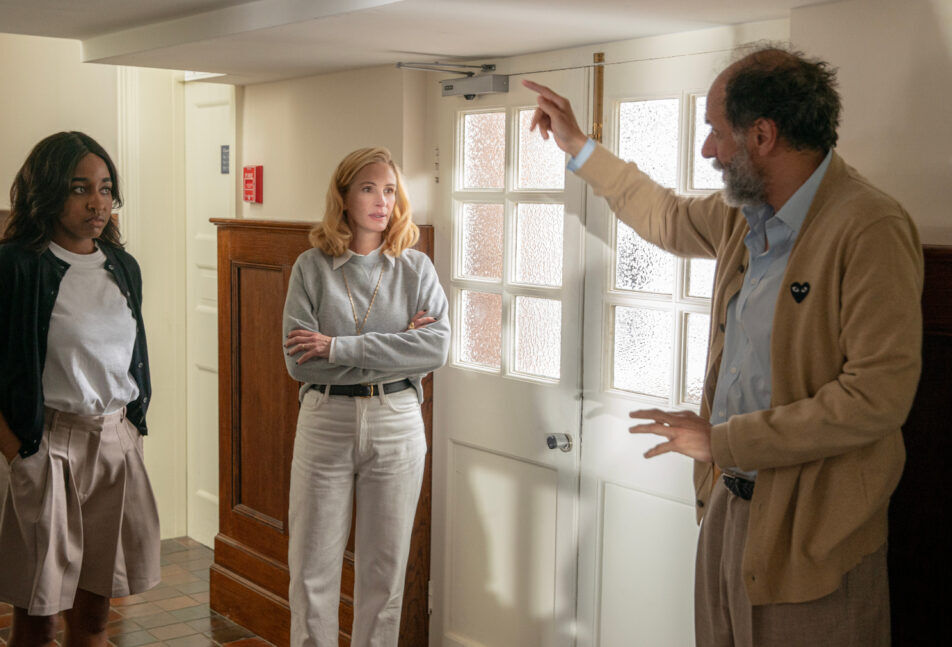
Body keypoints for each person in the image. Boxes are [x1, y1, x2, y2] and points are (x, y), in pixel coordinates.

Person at [526, 44, 922, 646]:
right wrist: (578, 145)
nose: (708, 150)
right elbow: (664, 213)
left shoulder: (869, 228)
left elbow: (877, 398)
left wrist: (722, 439)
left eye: (716, 132)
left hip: (814, 532)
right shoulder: (744, 216)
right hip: (727, 509)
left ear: (762, 135)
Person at [0, 132, 161, 646]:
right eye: (79, 188)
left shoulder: (122, 267)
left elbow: (124, 360)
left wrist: (131, 428)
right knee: (39, 621)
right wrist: (19, 453)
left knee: (94, 619)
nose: (97, 201)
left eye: (106, 187)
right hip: (46, 449)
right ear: (48, 193)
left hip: (114, 449)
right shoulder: (17, 265)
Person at [281, 147, 450, 646]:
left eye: (390, 190)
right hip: (325, 416)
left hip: (397, 418)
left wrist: (336, 346)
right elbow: (298, 362)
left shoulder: (415, 269)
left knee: (385, 571)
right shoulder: (310, 268)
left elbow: (435, 347)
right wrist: (399, 344)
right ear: (344, 195)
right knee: (312, 569)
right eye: (369, 188)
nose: (382, 200)